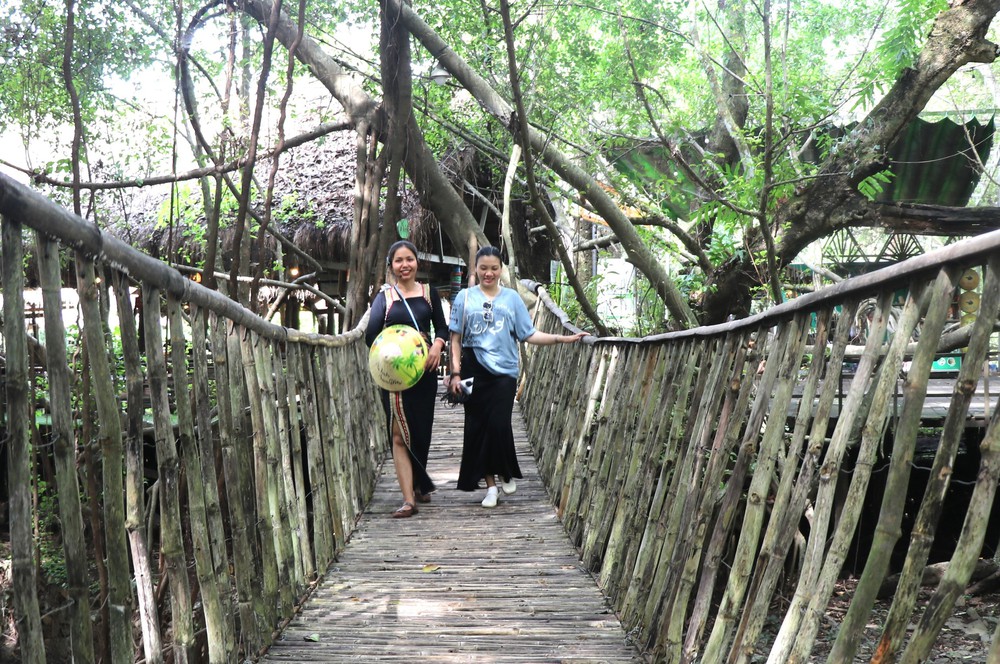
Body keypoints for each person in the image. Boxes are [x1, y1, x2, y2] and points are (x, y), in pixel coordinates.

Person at [448, 246, 587, 508]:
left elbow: (528, 334)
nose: (489, 273)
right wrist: (455, 373)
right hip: (473, 370)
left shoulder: (512, 298)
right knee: (477, 429)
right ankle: (491, 487)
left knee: (498, 425)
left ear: (501, 269)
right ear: (475, 269)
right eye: (483, 268)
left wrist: (560, 338)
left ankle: (506, 471)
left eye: (494, 268)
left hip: (504, 372)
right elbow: (455, 340)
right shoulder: (464, 298)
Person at [366, 240, 448, 518]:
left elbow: (443, 328)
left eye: (409, 259)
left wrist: (436, 345)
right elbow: (370, 337)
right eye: (399, 261)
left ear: (417, 262)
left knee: (421, 433)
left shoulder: (429, 293)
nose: (405, 265)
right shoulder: (384, 298)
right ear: (391, 266)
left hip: (425, 372)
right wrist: (399, 342)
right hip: (395, 379)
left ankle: (419, 483)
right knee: (399, 436)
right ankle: (408, 499)